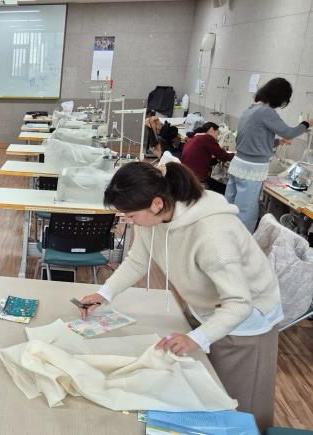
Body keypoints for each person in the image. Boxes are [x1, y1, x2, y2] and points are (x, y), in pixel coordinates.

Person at [77, 162, 282, 431]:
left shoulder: (213, 233)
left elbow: (239, 303)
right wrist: (104, 293)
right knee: (203, 386)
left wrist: (196, 338)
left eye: (130, 215)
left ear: (156, 204)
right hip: (207, 305)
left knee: (238, 402)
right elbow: (138, 260)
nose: (128, 220)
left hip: (246, 319)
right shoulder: (154, 216)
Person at [225, 77, 311, 232]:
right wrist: (307, 123)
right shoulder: (267, 112)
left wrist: (277, 142)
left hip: (238, 164)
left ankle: (225, 234)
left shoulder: (251, 109)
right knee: (246, 212)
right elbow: (289, 132)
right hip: (251, 170)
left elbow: (252, 138)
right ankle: (241, 242)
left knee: (230, 205)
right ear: (280, 98)